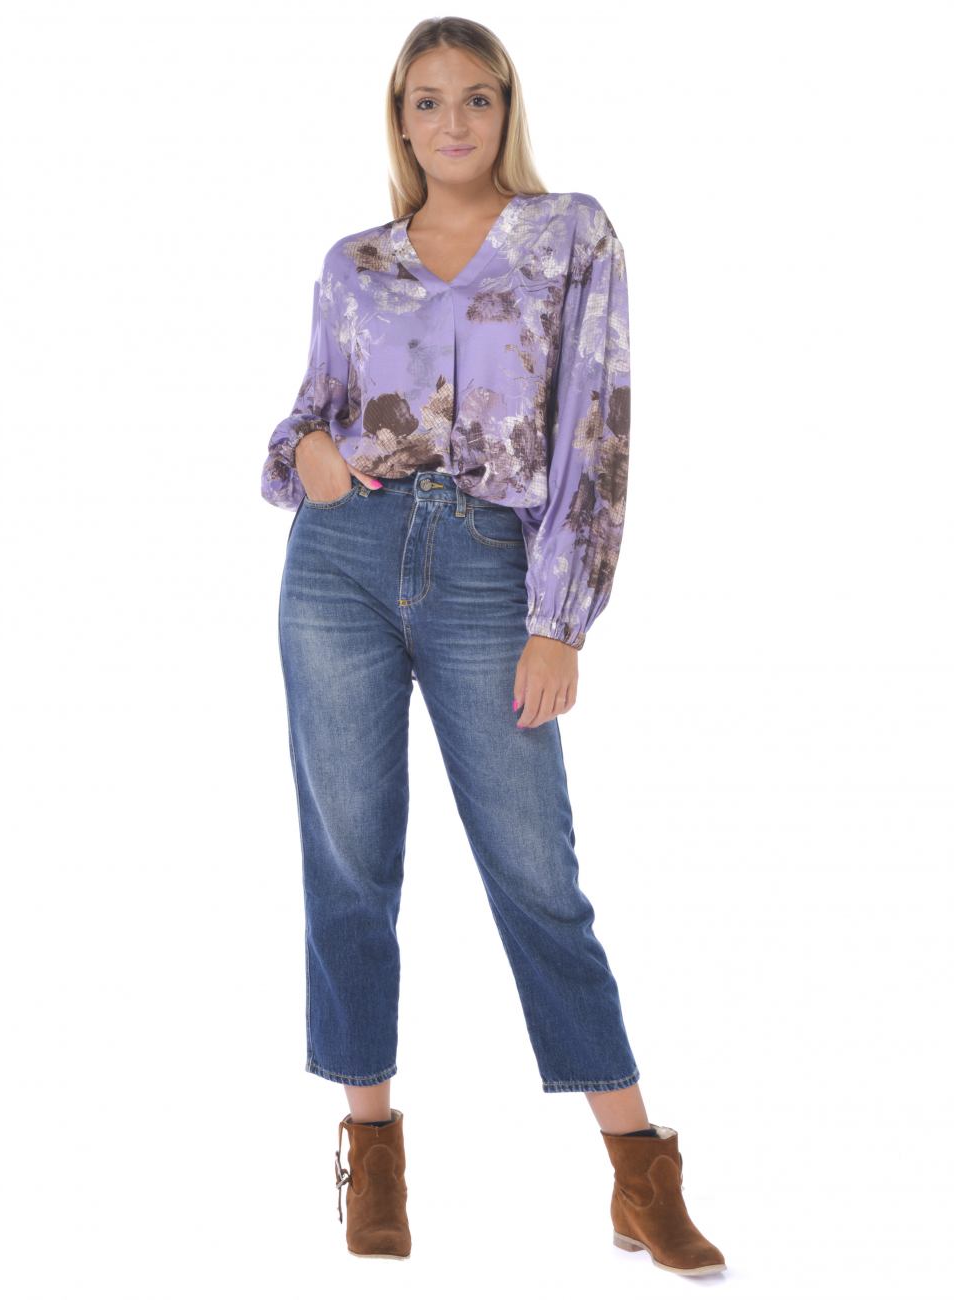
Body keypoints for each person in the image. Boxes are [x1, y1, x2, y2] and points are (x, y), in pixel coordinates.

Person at [260, 15, 725, 1277]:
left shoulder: (571, 236)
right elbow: (300, 424)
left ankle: (638, 1167)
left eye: (476, 97)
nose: (453, 121)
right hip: (340, 565)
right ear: (400, 120)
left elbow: (598, 431)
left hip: (489, 567)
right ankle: (372, 1149)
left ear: (507, 108)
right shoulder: (355, 261)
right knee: (351, 858)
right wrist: (312, 457)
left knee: (535, 872)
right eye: (427, 101)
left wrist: (558, 619)